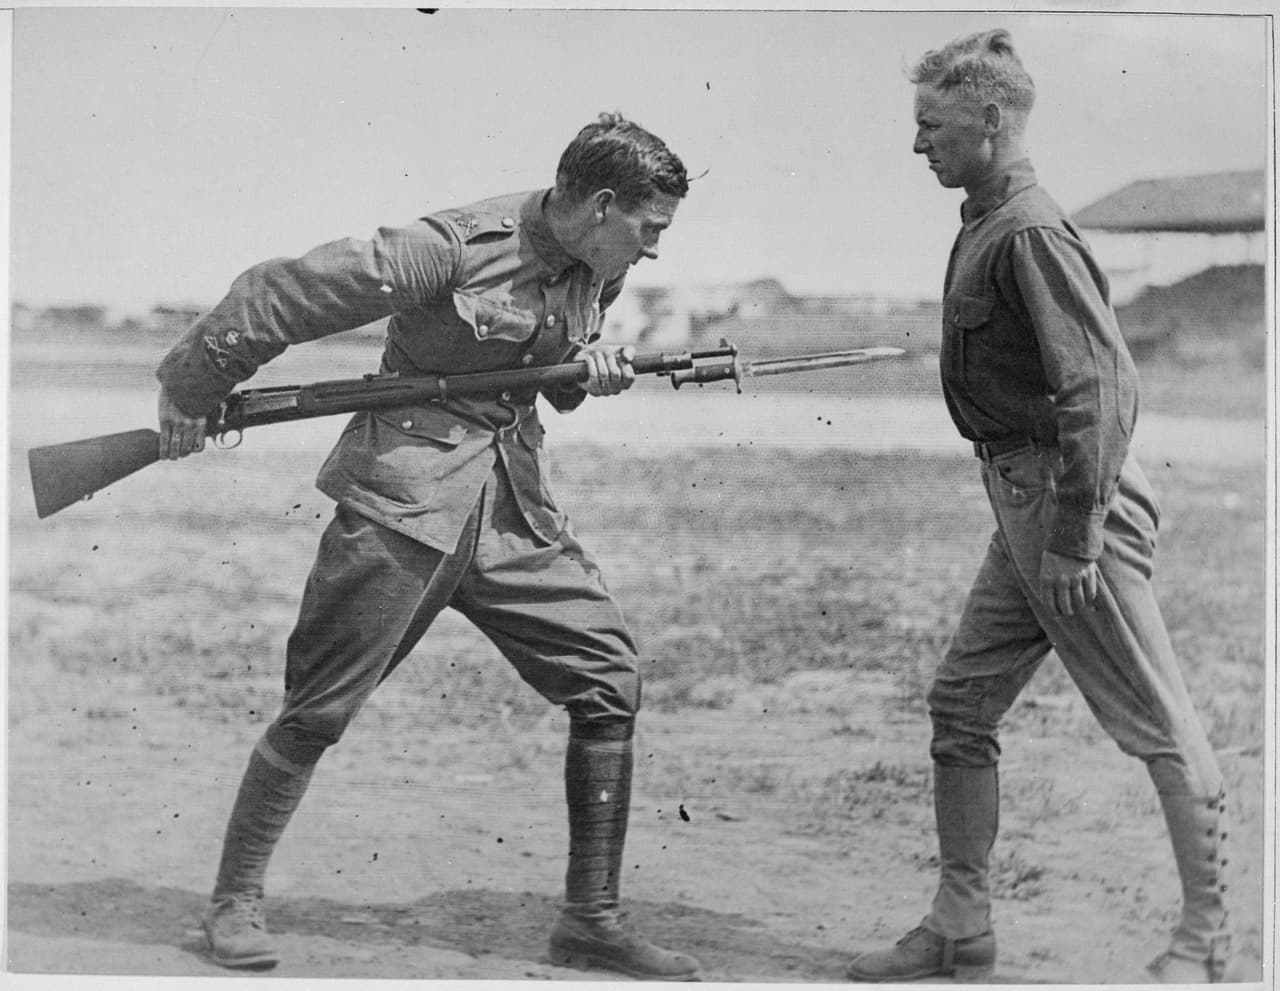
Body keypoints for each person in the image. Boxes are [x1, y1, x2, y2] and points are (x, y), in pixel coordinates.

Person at [156, 112, 702, 980]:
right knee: (319, 706)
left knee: (607, 677)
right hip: (401, 504)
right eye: (650, 226)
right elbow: (277, 293)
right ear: (601, 205)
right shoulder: (447, 248)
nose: (655, 247)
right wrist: (191, 390)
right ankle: (234, 900)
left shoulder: (600, 265)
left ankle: (591, 919)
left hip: (511, 510)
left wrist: (593, 374)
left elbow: (551, 370)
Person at [843, 30, 1232, 984]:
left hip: (1068, 506)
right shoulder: (987, 220)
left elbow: (1102, 389)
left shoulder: (1029, 230)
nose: (917, 143)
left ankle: (1207, 941)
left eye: (932, 124)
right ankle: (960, 926)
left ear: (990, 119)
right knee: (961, 702)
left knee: (1158, 719)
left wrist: (1076, 536)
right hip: (1025, 503)